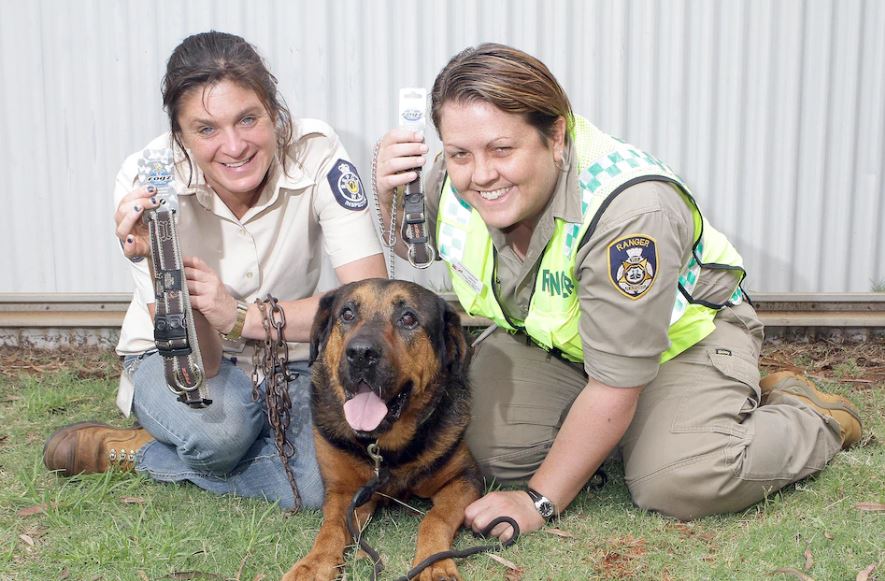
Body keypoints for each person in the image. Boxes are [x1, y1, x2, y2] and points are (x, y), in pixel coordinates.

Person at [372, 43, 863, 539]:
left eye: (502, 150)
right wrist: (389, 196)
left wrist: (538, 501)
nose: (480, 175)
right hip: (567, 347)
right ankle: (636, 430)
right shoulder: (449, 177)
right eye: (460, 153)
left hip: (683, 340)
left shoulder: (631, 213)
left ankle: (810, 416)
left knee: (676, 478)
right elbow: (418, 248)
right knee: (482, 444)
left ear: (555, 136)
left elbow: (616, 382)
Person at [43, 31, 387, 510]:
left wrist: (244, 318)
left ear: (274, 113)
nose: (234, 146)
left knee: (319, 487)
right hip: (177, 357)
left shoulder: (317, 152)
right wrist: (164, 262)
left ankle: (151, 452)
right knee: (222, 437)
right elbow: (200, 366)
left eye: (248, 119)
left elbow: (369, 303)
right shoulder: (147, 184)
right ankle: (145, 445)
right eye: (206, 130)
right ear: (179, 137)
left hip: (285, 357)